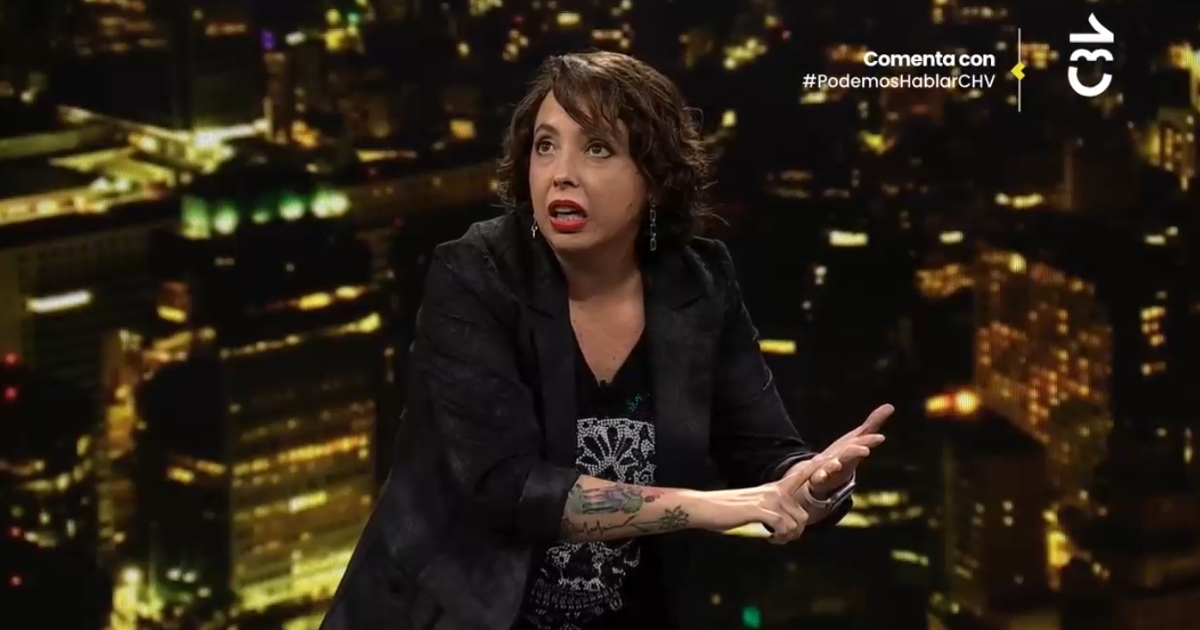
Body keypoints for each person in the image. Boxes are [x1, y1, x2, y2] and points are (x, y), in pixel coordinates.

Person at [320, 51, 891, 630]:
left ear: (654, 176)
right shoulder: (474, 276)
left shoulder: (699, 284)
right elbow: (507, 487)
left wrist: (811, 485)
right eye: (545, 145)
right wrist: (712, 507)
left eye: (597, 148)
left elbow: (762, 446)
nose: (561, 173)